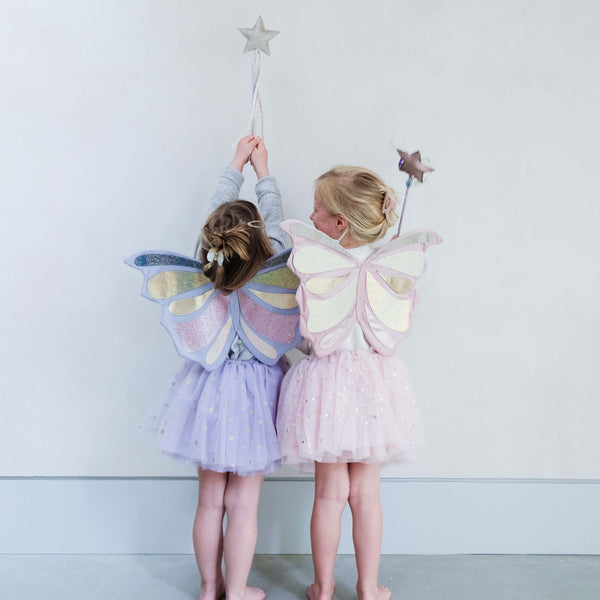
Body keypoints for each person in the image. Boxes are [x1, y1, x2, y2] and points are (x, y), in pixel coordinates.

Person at [138, 136, 291, 600]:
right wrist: (265, 172)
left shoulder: (205, 266)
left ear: (211, 241)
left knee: (209, 501)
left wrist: (235, 164)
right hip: (257, 395)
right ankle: (238, 588)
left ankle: (210, 588)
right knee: (243, 504)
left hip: (206, 388)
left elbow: (214, 215)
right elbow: (279, 225)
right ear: (264, 243)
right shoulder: (278, 264)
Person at [277, 165, 439, 600]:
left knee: (330, 496)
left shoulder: (314, 266)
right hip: (374, 382)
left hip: (326, 382)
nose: (310, 218)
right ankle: (369, 588)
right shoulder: (388, 262)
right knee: (366, 495)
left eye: (316, 211)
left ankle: (323, 588)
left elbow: (307, 331)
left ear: (339, 223)